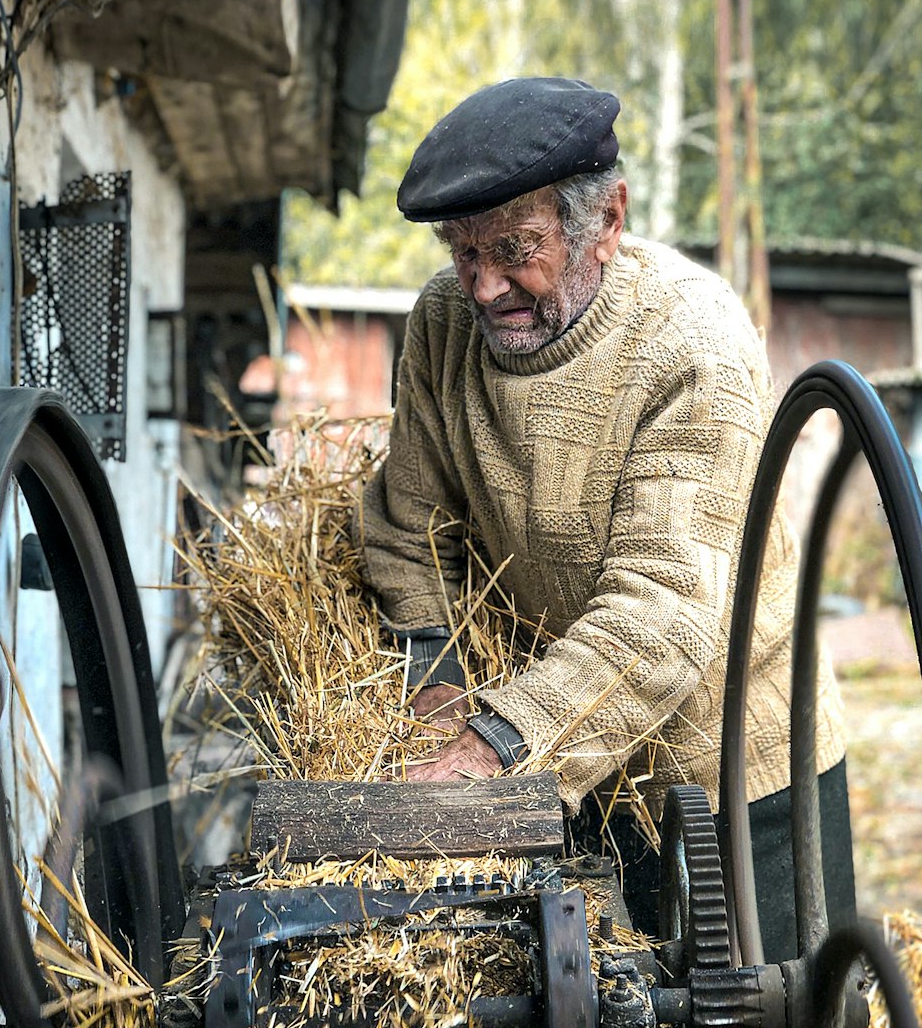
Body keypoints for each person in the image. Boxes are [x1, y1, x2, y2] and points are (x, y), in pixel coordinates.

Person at [357, 76, 854, 964]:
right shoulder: (442, 321)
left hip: (739, 772)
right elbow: (408, 532)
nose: (484, 286)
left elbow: (663, 615)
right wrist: (438, 695)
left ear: (608, 218)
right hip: (570, 759)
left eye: (516, 249)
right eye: (462, 253)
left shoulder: (689, 343)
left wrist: (495, 744)